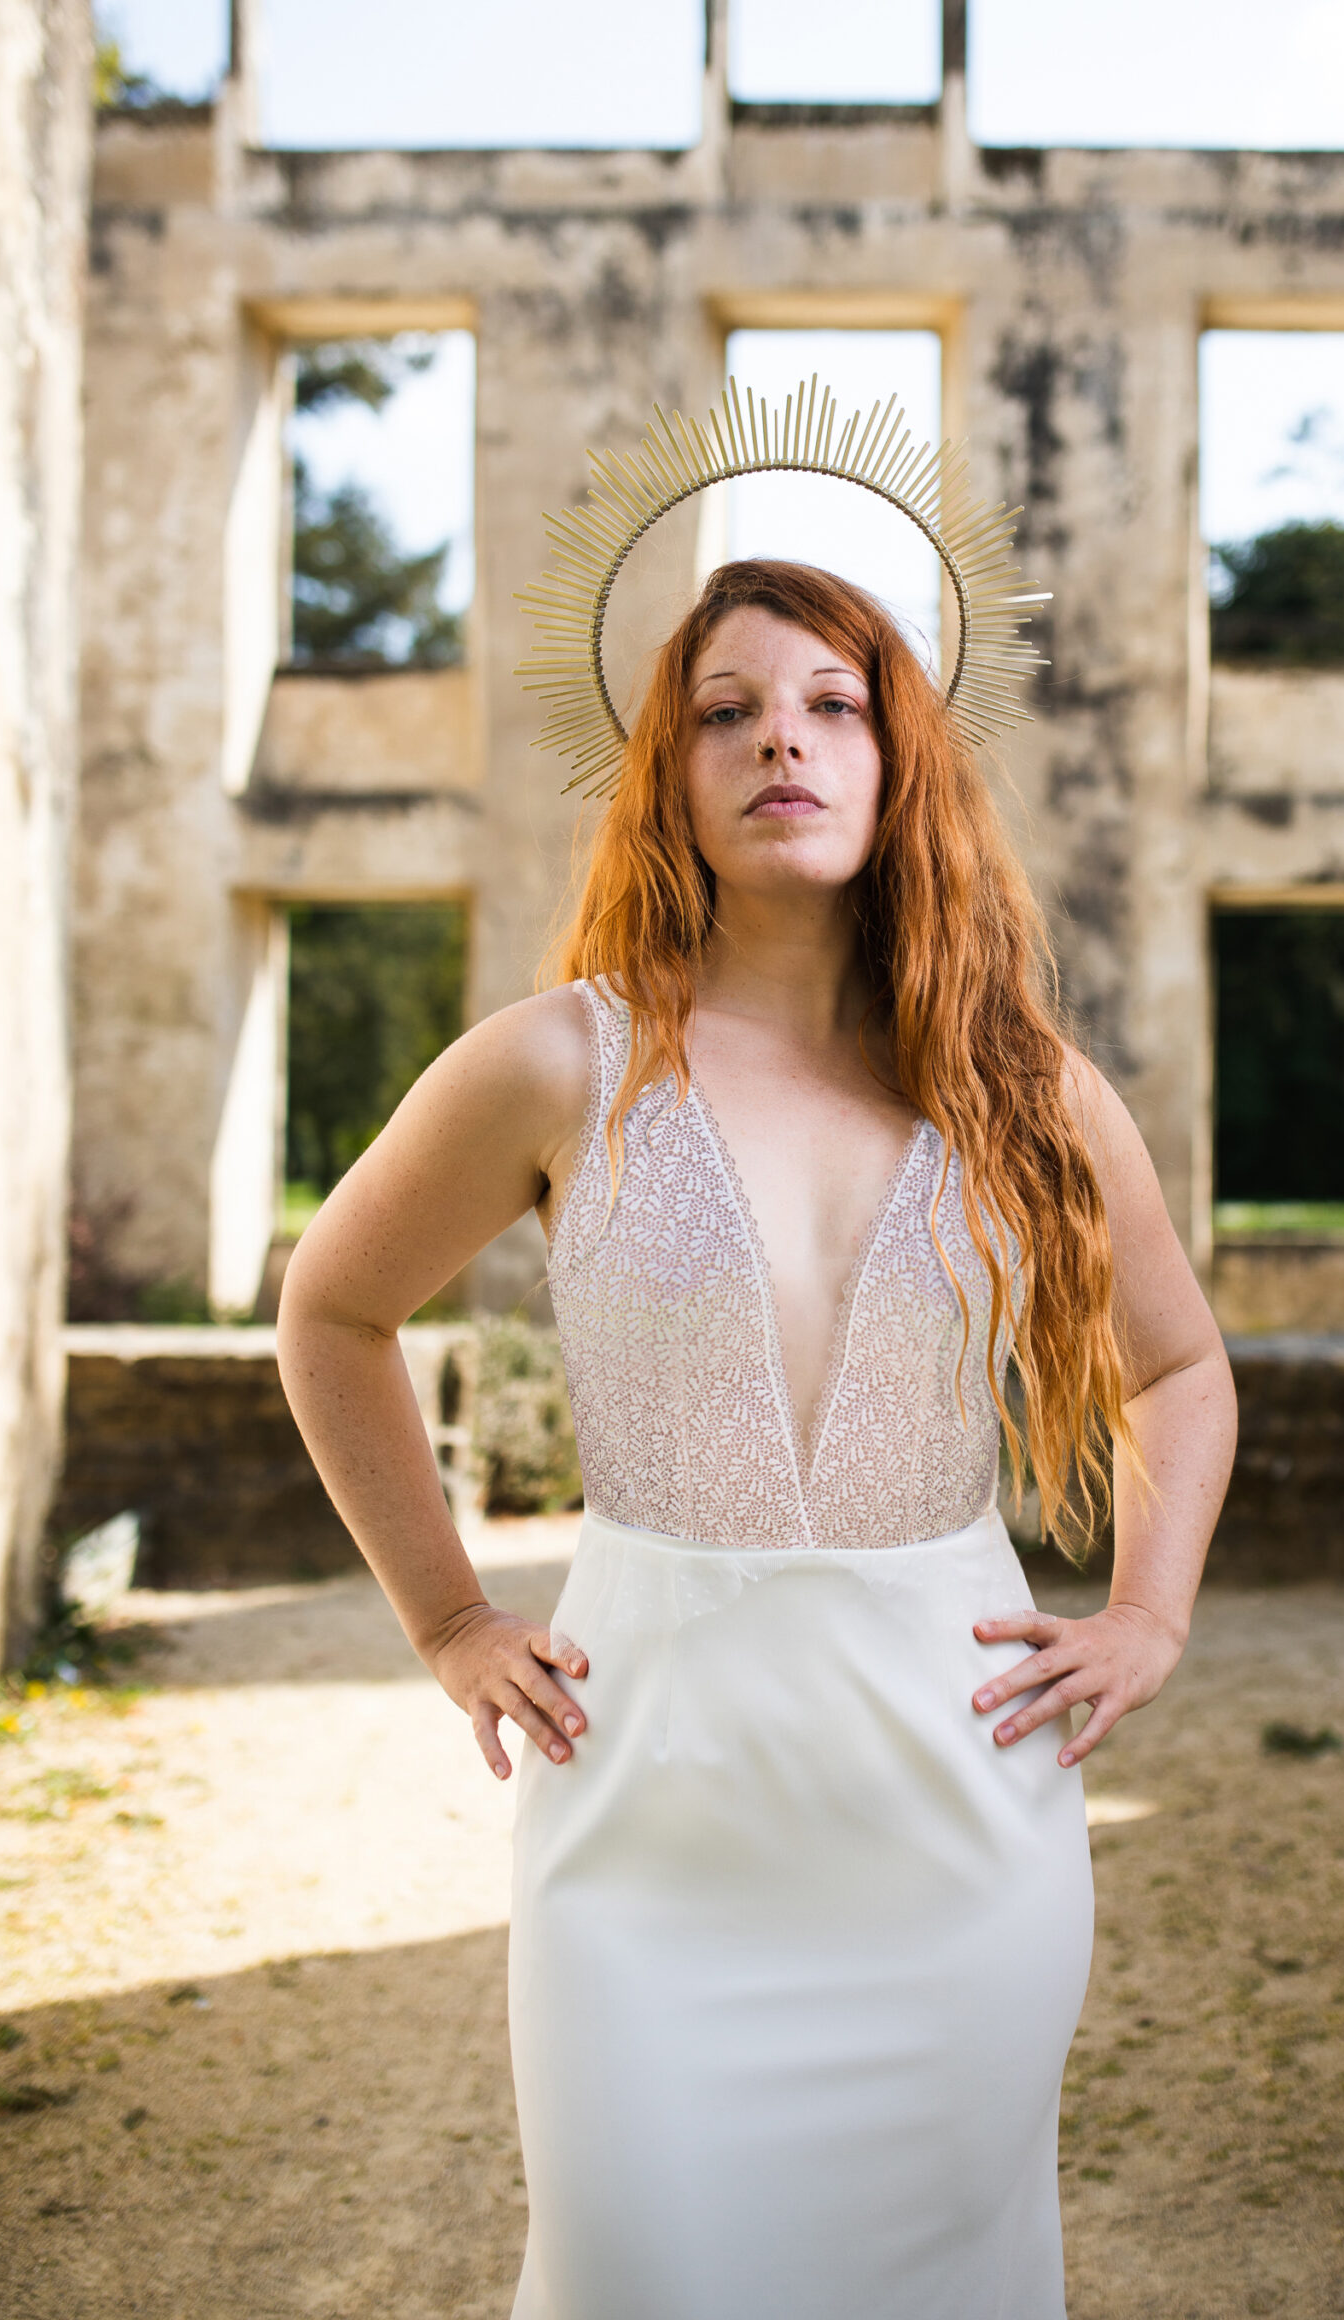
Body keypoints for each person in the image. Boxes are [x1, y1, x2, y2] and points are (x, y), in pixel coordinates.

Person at [277, 553, 1236, 2320]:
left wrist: (1151, 1612)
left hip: (956, 1823)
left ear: (899, 761)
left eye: (830, 703)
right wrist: (451, 1621)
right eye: (725, 710)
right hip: (651, 1817)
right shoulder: (558, 1064)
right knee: (640, 2265)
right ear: (670, 772)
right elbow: (331, 1313)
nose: (777, 740)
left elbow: (1177, 1365)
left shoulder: (1026, 1086)